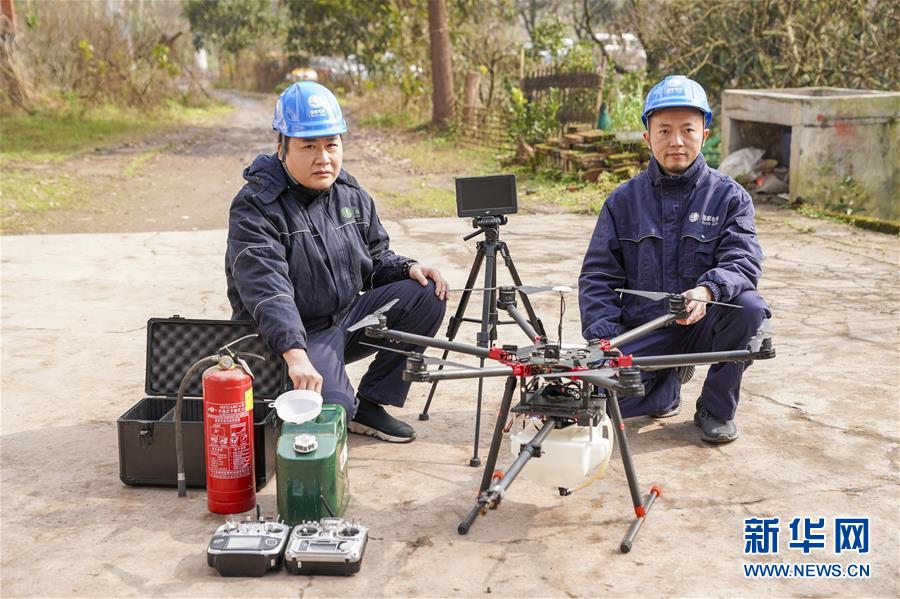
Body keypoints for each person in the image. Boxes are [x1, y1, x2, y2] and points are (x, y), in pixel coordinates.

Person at [226, 81, 447, 443]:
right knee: (331, 413)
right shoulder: (255, 206)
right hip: (294, 335)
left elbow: (375, 256)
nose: (323, 158)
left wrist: (407, 267)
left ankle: (372, 404)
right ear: (281, 149)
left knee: (425, 293)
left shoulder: (350, 193)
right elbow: (267, 290)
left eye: (331, 144)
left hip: (345, 319)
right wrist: (295, 355)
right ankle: (317, 390)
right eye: (308, 146)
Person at [578, 75, 770, 444]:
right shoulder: (622, 201)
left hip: (703, 325)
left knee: (749, 309)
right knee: (591, 399)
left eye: (687, 130)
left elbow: (743, 260)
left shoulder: (730, 197)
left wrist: (708, 291)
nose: (676, 141)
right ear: (647, 137)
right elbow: (597, 277)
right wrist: (605, 344)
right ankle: (664, 388)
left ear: (705, 134)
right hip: (643, 330)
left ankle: (715, 409)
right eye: (664, 130)